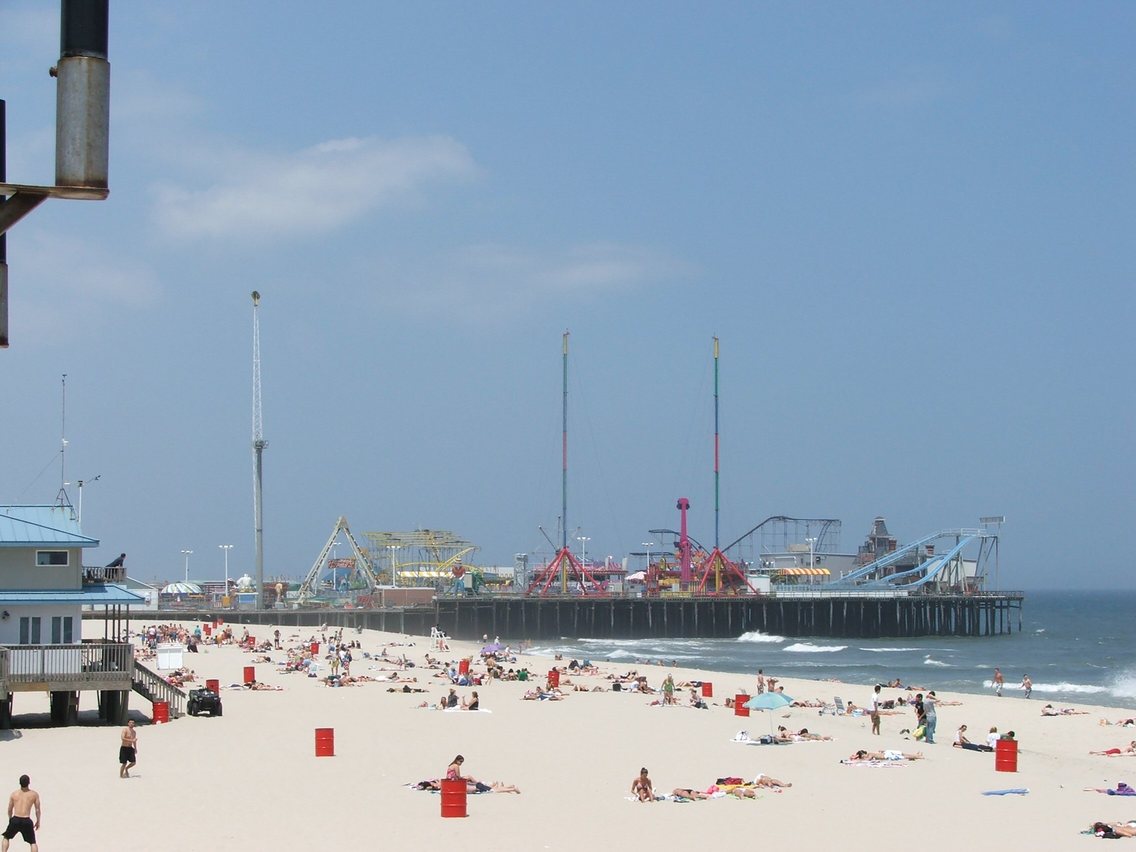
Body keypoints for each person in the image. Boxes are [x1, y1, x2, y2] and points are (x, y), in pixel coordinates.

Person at [1, 775, 40, 852]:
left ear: (19, 783)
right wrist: (38, 821)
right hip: (26, 820)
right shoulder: (34, 794)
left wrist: (10, 818)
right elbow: (37, 809)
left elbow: (9, 809)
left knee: (6, 837)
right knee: (32, 842)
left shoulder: (14, 794)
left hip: (15, 819)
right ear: (29, 783)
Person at [849, 749, 923, 761]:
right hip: (887, 753)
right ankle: (916, 755)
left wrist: (857, 759)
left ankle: (918, 756)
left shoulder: (870, 754)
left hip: (887, 755)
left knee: (904, 756)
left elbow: (868, 759)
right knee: (903, 754)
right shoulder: (870, 753)